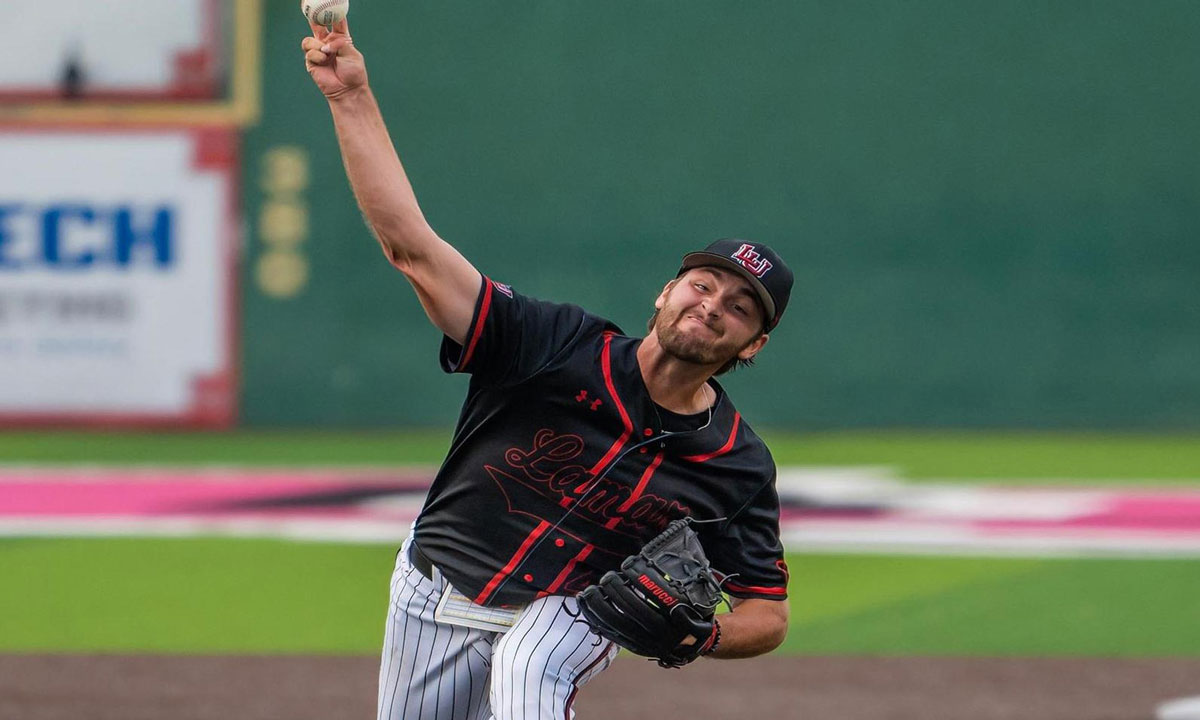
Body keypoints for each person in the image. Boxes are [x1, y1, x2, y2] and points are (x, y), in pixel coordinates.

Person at [301, 19, 794, 720]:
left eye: (742, 307)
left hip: (571, 612)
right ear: (665, 291)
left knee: (531, 660)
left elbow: (767, 612)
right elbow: (411, 248)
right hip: (435, 585)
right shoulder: (556, 345)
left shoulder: (735, 462)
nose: (713, 306)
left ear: (753, 346)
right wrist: (350, 97)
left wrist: (702, 633)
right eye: (703, 284)